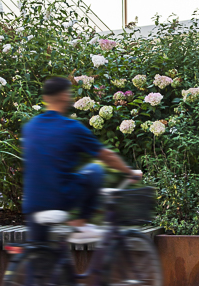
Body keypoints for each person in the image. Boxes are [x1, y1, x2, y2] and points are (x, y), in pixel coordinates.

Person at [22, 76, 141, 244]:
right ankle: (82, 223)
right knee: (96, 170)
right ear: (64, 96)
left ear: (45, 98)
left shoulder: (30, 127)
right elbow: (106, 155)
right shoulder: (71, 127)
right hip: (60, 199)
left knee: (38, 255)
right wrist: (130, 172)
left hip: (32, 203)